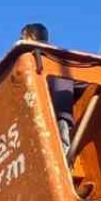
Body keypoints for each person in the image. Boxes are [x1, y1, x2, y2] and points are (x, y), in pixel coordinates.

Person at [19, 23, 75, 152]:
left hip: (56, 113)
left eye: (23, 37)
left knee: (59, 147)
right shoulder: (58, 56)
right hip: (58, 113)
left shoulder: (43, 56)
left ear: (32, 37)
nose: (21, 40)